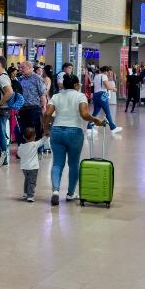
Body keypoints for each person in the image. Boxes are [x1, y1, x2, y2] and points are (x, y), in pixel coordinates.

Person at [44, 74, 106, 206]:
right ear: (76, 85)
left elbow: (47, 113)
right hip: (74, 132)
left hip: (57, 131)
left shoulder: (56, 96)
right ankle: (71, 193)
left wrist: (45, 129)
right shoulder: (80, 96)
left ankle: (55, 191)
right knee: (73, 164)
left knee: (57, 163)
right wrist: (97, 121)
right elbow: (84, 114)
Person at [15, 61, 46, 144]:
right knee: (23, 130)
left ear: (30, 68)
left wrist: (43, 108)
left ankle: (37, 150)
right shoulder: (20, 79)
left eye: (23, 67)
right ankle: (25, 149)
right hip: (22, 109)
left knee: (35, 130)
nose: (20, 69)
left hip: (34, 109)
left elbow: (42, 95)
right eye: (20, 67)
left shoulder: (37, 79)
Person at [88, 66, 121, 135]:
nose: (109, 73)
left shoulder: (96, 76)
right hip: (102, 95)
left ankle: (89, 127)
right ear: (106, 71)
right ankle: (113, 127)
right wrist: (114, 88)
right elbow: (108, 87)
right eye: (109, 71)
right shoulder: (104, 76)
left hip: (96, 95)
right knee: (107, 112)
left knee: (95, 112)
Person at [16, 127, 41, 203]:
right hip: (33, 167)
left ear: (23, 136)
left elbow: (18, 154)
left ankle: (25, 193)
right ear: (34, 136)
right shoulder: (34, 144)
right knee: (32, 181)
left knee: (27, 179)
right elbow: (43, 141)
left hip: (24, 167)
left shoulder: (21, 146)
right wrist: (46, 135)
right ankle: (30, 196)